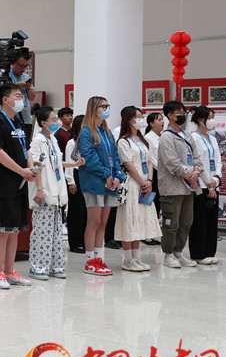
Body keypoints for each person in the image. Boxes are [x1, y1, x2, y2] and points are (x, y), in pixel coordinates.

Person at [0, 83, 36, 289]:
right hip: (3, 183)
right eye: (17, 96)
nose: (21, 99)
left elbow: (26, 148)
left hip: (20, 184)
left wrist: (30, 168)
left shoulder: (18, 120)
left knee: (15, 230)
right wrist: (21, 170)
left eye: (21, 96)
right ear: (5, 99)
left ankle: (9, 271)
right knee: (3, 230)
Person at [27, 107, 83, 280]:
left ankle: (55, 265)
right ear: (43, 123)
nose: (56, 123)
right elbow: (36, 166)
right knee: (42, 232)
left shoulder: (52, 140)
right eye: (53, 120)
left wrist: (74, 164)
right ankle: (38, 267)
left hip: (56, 193)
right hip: (44, 192)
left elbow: (58, 162)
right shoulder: (37, 141)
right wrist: (40, 189)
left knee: (56, 232)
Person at [77, 96, 124, 276]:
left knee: (103, 222)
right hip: (94, 181)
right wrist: (106, 174)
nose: (106, 109)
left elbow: (115, 156)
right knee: (94, 222)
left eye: (107, 106)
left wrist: (118, 175)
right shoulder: (87, 132)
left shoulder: (107, 132)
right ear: (94, 109)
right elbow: (89, 158)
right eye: (102, 106)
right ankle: (90, 260)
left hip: (110, 182)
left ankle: (99, 258)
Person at [157, 100, 204, 269]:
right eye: (179, 113)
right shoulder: (166, 136)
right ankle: (168, 254)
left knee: (186, 222)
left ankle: (178, 252)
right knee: (171, 223)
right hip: (172, 187)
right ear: (170, 115)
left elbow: (197, 156)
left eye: (184, 112)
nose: (183, 116)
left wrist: (196, 172)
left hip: (188, 188)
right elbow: (171, 162)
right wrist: (188, 175)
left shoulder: (187, 135)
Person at [114, 106, 157, 272]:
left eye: (141, 116)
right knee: (130, 219)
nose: (141, 119)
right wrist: (142, 182)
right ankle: (127, 259)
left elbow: (150, 162)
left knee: (139, 221)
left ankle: (136, 257)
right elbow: (129, 164)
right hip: (132, 185)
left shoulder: (143, 140)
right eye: (137, 116)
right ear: (129, 119)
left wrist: (149, 181)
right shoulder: (123, 141)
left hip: (145, 185)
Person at [188, 105, 222, 265]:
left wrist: (216, 179)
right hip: (201, 185)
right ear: (200, 119)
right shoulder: (193, 138)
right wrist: (209, 183)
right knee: (199, 220)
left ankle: (209, 252)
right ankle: (198, 253)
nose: (211, 120)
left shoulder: (213, 138)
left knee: (212, 220)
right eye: (209, 118)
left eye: (212, 117)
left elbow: (218, 161)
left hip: (214, 184)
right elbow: (199, 163)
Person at [64, 115, 87, 253]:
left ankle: (85, 240)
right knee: (76, 211)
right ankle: (75, 242)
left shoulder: (88, 141)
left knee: (86, 211)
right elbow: (69, 163)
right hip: (76, 176)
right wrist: (70, 181)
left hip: (87, 177)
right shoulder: (71, 143)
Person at [142, 112, 165, 245]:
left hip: (162, 174)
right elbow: (151, 159)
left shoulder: (163, 136)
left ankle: (153, 233)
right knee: (149, 204)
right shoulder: (148, 138)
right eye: (159, 120)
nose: (162, 122)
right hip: (153, 174)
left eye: (162, 119)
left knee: (158, 204)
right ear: (151, 123)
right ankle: (145, 235)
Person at [5, 53, 36, 139]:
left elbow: (32, 97)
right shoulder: (4, 76)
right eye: (21, 66)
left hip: (26, 118)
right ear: (13, 62)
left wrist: (28, 87)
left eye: (26, 66)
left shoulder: (26, 77)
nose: (23, 69)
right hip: (10, 118)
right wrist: (16, 86)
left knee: (25, 144)